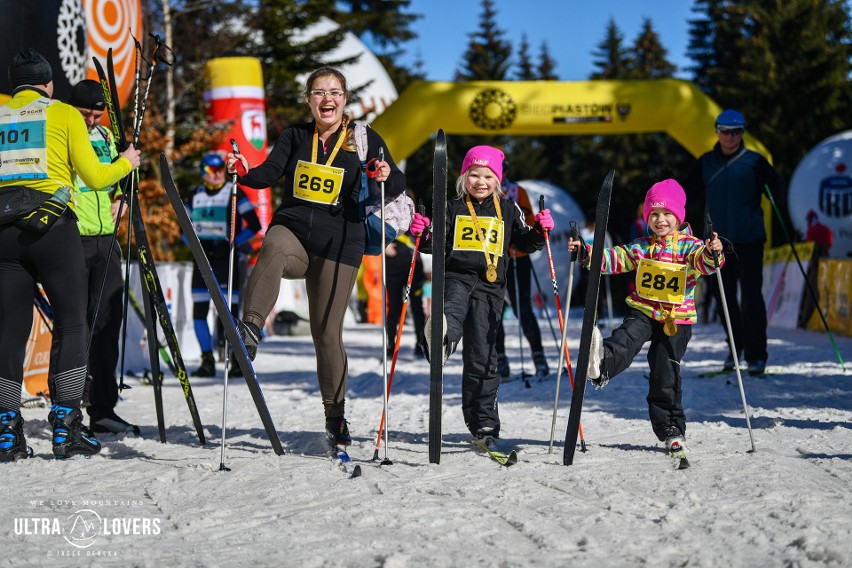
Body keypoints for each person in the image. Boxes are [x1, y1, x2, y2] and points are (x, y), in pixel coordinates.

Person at [226, 67, 405, 448]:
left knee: (325, 334)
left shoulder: (363, 137)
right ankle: (250, 330)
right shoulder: (295, 135)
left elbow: (398, 182)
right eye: (319, 92)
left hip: (341, 243)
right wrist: (242, 172)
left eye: (335, 92)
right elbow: (269, 173)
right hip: (294, 233)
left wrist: (383, 171)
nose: (327, 99)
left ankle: (335, 416)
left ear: (345, 99)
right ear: (309, 99)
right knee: (272, 246)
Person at [0, 49, 140, 461]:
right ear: (47, 84)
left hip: (4, 233)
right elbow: (95, 177)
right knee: (73, 325)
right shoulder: (61, 113)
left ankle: (7, 434)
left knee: (9, 332)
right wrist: (127, 162)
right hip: (54, 230)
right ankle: (67, 428)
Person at [568, 179, 724, 456]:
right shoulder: (642, 246)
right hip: (642, 309)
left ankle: (671, 428)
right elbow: (614, 259)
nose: (660, 220)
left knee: (665, 371)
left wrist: (714, 253)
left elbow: (705, 262)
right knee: (625, 340)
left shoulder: (690, 246)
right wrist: (586, 253)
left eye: (666, 214)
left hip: (676, 318)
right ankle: (601, 364)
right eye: (654, 214)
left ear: (679, 216)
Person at [421, 145, 553, 448]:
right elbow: (432, 244)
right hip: (456, 276)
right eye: (474, 175)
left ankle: (484, 424)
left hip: (491, 287)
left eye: (488, 176)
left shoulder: (508, 209)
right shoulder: (452, 207)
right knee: (451, 311)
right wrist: (424, 234)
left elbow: (523, 242)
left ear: (498, 180)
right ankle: (439, 340)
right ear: (464, 177)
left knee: (483, 357)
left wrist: (538, 232)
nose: (480, 182)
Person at [682, 109, 784, 377]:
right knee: (724, 299)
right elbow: (684, 194)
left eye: (736, 131)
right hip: (716, 244)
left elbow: (778, 189)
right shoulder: (706, 163)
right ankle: (735, 348)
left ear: (742, 133)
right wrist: (669, 183)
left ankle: (756, 355)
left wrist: (773, 182)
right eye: (726, 131)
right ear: (717, 131)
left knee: (751, 298)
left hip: (749, 240)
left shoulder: (754, 161)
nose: (730, 137)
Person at [67, 79, 139, 435]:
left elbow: (116, 177)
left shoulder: (106, 136)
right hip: (72, 237)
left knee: (109, 322)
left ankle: (103, 408)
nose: (92, 120)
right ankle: (66, 412)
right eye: (85, 114)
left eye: (97, 114)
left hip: (106, 238)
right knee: (74, 326)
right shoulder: (64, 128)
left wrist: (121, 199)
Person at [185, 152, 260, 377]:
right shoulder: (194, 195)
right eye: (211, 170)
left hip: (225, 259)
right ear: (202, 172)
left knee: (228, 313)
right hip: (202, 258)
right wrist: (194, 246)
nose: (217, 174)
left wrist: (233, 243)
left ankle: (236, 359)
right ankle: (207, 359)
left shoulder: (233, 191)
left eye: (220, 169)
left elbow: (254, 224)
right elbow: (183, 229)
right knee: (199, 311)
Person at [494, 176, 549, 381]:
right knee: (494, 308)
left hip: (518, 256)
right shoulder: (482, 191)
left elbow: (529, 219)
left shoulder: (517, 191)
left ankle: (539, 357)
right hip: (495, 257)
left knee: (522, 308)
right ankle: (500, 360)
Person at [384, 225, 427, 359]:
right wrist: (382, 244)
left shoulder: (417, 214)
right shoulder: (388, 210)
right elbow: (375, 228)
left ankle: (420, 344)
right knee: (394, 308)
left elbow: (427, 236)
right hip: (393, 269)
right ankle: (391, 344)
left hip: (415, 270)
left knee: (417, 308)